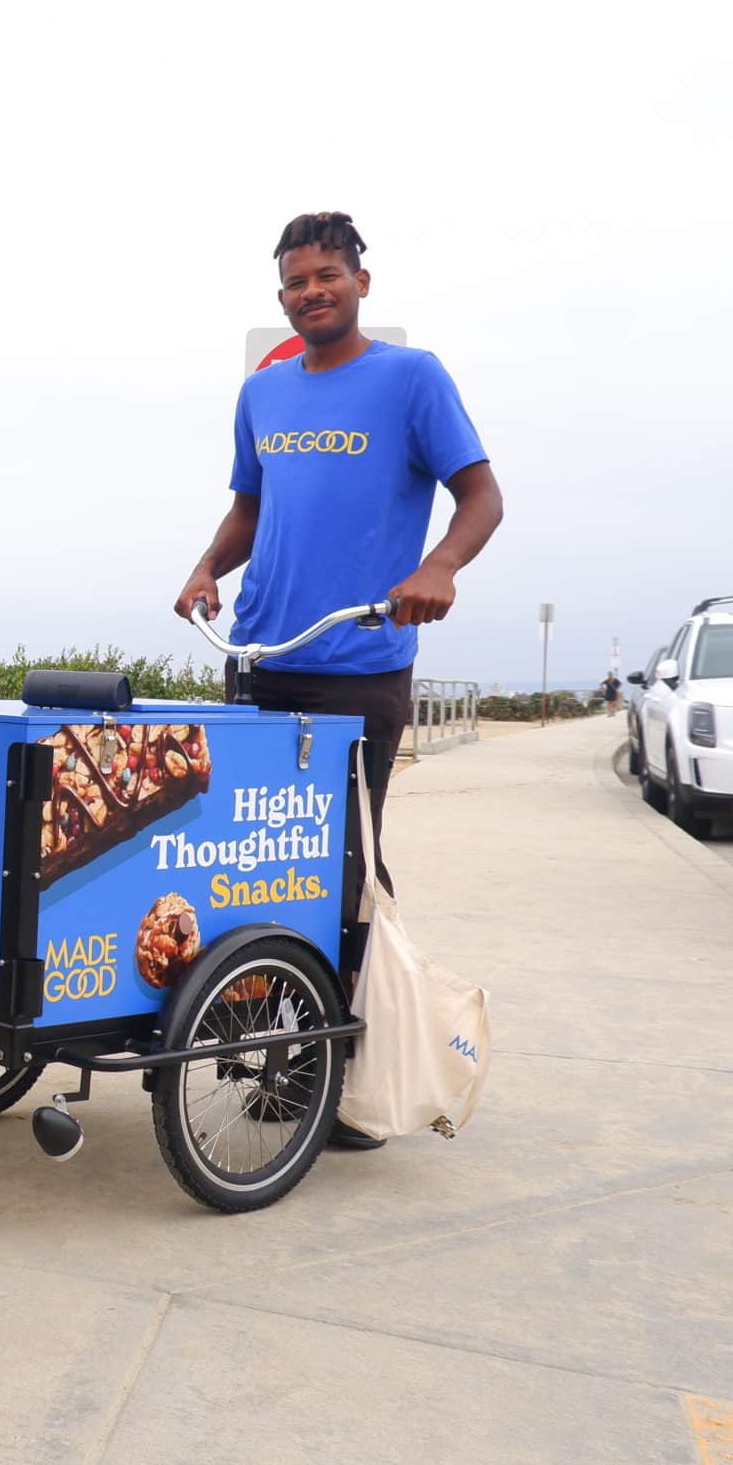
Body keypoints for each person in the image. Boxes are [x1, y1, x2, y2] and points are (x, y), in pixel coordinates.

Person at [174, 213, 502, 1147]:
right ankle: (267, 1056)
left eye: (326, 276)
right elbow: (250, 504)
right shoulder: (264, 392)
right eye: (293, 282)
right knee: (246, 869)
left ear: (362, 281)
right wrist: (208, 568)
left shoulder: (410, 378)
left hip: (358, 669)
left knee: (346, 875)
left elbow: (482, 494)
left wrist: (438, 568)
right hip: (260, 662)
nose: (310, 292)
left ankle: (352, 1071)